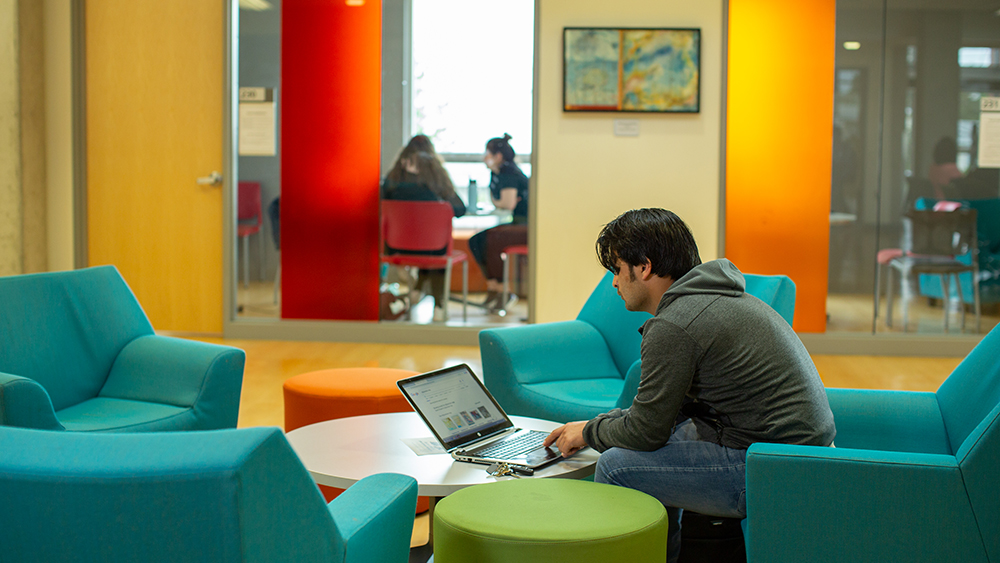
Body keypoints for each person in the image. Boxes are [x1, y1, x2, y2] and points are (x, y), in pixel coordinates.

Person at [544, 208, 836, 563]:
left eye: (618, 270)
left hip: (774, 468)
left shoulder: (676, 325)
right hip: (799, 454)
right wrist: (594, 427)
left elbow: (645, 433)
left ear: (644, 267)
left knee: (617, 467)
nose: (615, 283)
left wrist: (590, 432)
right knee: (663, 438)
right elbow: (660, 415)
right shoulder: (718, 299)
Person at [382, 135, 466, 319]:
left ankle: (417, 290)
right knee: (435, 249)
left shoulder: (393, 179)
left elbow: (379, 202)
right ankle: (439, 305)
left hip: (395, 247)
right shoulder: (438, 179)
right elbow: (460, 209)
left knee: (427, 247)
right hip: (434, 250)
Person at [468, 134, 529, 312]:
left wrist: (497, 201)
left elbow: (506, 203)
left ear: (498, 157)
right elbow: (505, 202)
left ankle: (505, 292)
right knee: (476, 241)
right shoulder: (498, 173)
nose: (484, 157)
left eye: (487, 153)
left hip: (527, 226)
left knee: (491, 241)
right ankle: (494, 288)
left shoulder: (508, 172)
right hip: (517, 222)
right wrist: (498, 201)